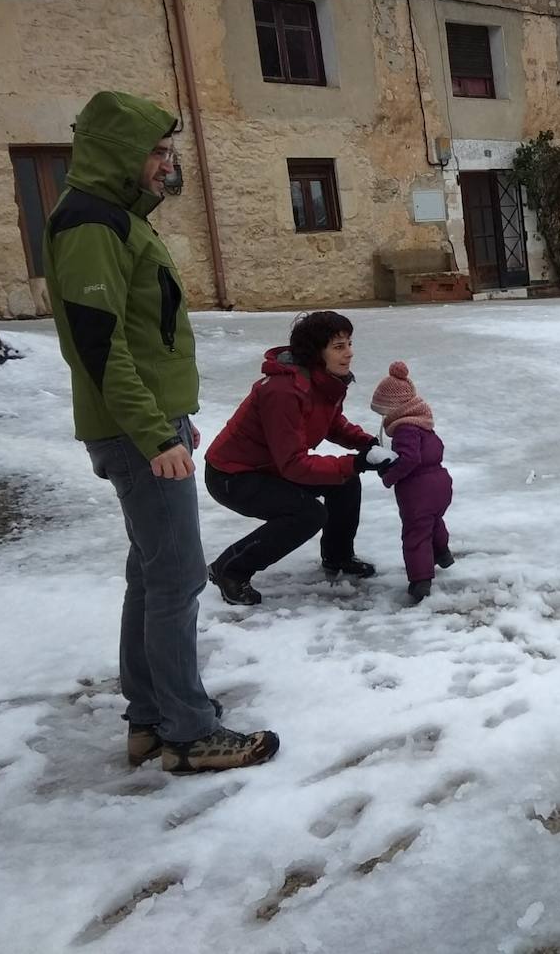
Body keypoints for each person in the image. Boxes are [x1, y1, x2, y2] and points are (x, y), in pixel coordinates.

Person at [45, 91, 279, 774]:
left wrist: (173, 417)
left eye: (169, 151)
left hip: (150, 421)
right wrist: (155, 433)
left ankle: (149, 719)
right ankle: (189, 731)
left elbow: (148, 335)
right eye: (155, 151)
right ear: (117, 151)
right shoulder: (90, 222)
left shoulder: (114, 217)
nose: (166, 164)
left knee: (150, 576)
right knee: (176, 578)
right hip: (136, 429)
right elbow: (98, 343)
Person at [204, 311, 391, 605]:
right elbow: (293, 464)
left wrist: (365, 442)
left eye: (349, 344)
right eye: (339, 347)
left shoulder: (322, 381)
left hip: (270, 468)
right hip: (232, 475)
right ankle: (230, 568)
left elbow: (329, 423)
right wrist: (355, 462)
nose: (350, 353)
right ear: (317, 353)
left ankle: (338, 557)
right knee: (306, 514)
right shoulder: (283, 392)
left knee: (344, 482)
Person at [369, 361, 455, 604]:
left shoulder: (406, 429)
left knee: (415, 533)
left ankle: (420, 581)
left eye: (384, 412)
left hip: (419, 490)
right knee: (433, 521)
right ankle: (442, 553)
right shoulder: (424, 425)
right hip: (440, 483)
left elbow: (410, 459)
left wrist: (389, 476)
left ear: (394, 408)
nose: (384, 418)